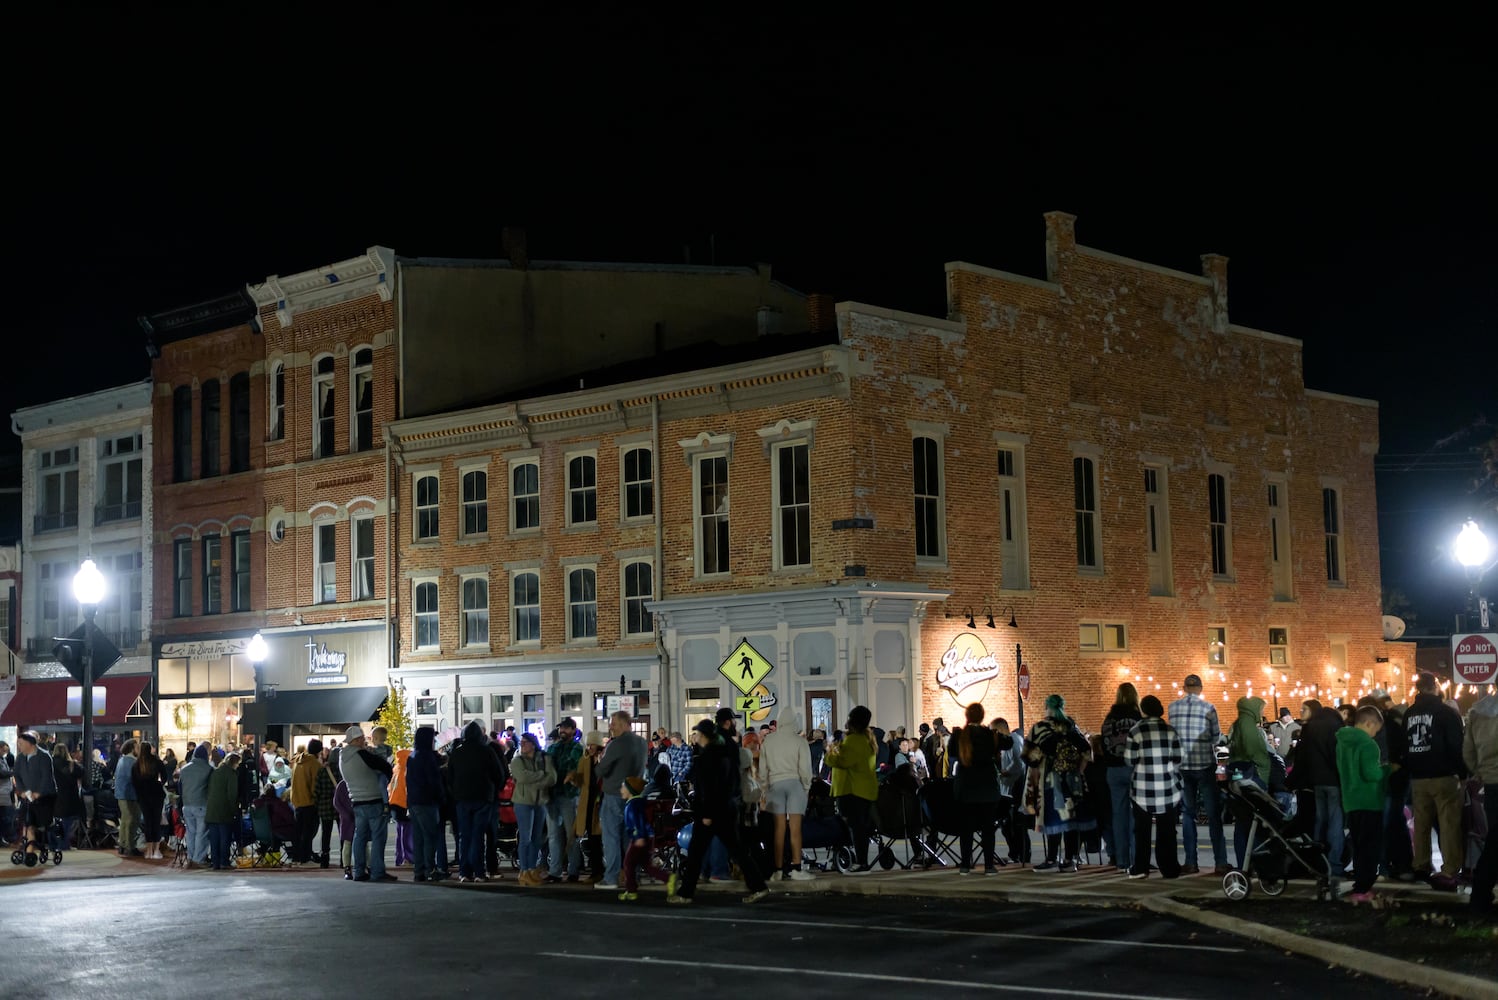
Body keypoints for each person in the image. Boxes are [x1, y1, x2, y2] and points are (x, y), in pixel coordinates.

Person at [666, 719, 771, 905]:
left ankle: (686, 893)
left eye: (698, 733)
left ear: (705, 736)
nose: (695, 736)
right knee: (737, 850)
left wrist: (706, 813)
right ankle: (758, 886)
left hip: (711, 812)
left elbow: (709, 787)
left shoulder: (708, 757)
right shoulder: (725, 754)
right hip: (725, 810)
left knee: (696, 853)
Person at [1404, 671, 1468, 890]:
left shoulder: (1409, 713)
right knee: (1449, 823)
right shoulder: (1445, 713)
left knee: (1421, 824)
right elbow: (1456, 745)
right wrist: (1462, 772)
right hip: (1443, 776)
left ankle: (1420, 865)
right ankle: (1450, 868)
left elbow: (1405, 746)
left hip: (1418, 777)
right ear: (1435, 687)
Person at [1024, 694, 1096, 872]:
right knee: (1071, 820)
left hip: (1050, 780)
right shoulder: (1072, 727)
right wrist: (1078, 770)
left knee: (1053, 819)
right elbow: (1088, 752)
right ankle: (1069, 859)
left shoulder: (1039, 728)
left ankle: (1051, 859)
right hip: (1074, 781)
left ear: (1046, 708)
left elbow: (1029, 757)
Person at [1167, 675, 1227, 875]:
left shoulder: (1173, 708)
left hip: (1182, 766)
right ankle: (1220, 862)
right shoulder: (1209, 707)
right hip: (1204, 765)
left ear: (1184, 688)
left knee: (1187, 814)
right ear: (1200, 689)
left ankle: (1191, 862)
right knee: (1213, 814)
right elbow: (1215, 737)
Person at [1124, 695, 1182, 879]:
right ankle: (1170, 868)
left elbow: (1129, 760)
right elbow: (1179, 758)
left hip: (1142, 789)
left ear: (1144, 710)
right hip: (1167, 788)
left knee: (1142, 831)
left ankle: (1141, 867)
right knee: (1167, 831)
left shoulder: (1136, 731)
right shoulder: (1170, 731)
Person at [1338, 704, 1392, 903]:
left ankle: (1359, 885)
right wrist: (1386, 770)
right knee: (1370, 847)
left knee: (1359, 845)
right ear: (1369, 723)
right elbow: (1372, 774)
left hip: (1351, 801)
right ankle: (1363, 888)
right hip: (1370, 801)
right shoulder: (1368, 745)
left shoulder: (1342, 743)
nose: (1375, 734)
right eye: (1375, 729)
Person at [1291, 699, 1346, 887]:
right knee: (1336, 823)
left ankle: (1318, 863)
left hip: (1316, 782)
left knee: (1320, 821)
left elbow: (1302, 756)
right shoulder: (1336, 726)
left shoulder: (1311, 727)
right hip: (1333, 781)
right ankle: (1335, 865)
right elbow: (1337, 755)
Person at [446, 720, 504, 883]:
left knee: (465, 836)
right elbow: (498, 774)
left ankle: (465, 871)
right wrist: (493, 791)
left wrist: (456, 793)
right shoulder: (487, 752)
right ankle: (479, 871)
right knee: (478, 836)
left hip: (463, 799)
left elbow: (449, 778)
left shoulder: (457, 753)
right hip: (483, 797)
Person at [760, 710, 815, 881]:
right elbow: (805, 768)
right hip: (794, 784)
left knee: (779, 829)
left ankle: (777, 869)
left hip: (775, 785)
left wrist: (764, 789)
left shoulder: (769, 741)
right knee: (796, 829)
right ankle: (796, 868)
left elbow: (763, 769)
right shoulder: (800, 741)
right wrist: (806, 787)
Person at [595, 710, 646, 891]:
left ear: (624, 724)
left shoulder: (617, 744)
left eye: (614, 724)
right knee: (628, 838)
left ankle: (611, 878)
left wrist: (596, 764)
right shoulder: (641, 743)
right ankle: (632, 875)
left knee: (611, 837)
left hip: (614, 793)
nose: (611, 727)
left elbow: (601, 769)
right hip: (633, 796)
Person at [825, 705, 879, 874]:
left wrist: (830, 752)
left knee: (856, 827)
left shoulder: (854, 740)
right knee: (859, 827)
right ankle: (860, 860)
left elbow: (843, 761)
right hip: (862, 789)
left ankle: (861, 862)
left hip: (852, 790)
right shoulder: (866, 739)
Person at [950, 702, 1002, 875]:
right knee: (988, 830)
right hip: (988, 789)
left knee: (966, 830)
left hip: (966, 790)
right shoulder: (989, 734)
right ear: (982, 716)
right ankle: (988, 866)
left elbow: (951, 752)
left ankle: (965, 864)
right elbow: (1006, 743)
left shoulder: (959, 735)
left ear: (967, 716)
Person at [341, 725, 396, 882]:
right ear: (357, 740)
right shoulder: (362, 755)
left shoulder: (342, 757)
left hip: (356, 801)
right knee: (378, 837)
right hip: (373, 800)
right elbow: (385, 767)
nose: (364, 741)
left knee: (360, 837)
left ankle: (359, 871)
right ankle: (377, 871)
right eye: (362, 739)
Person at [1100, 682, 1143, 872]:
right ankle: (1136, 859)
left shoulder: (1109, 719)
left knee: (1118, 815)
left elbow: (1103, 743)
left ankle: (1121, 860)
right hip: (1134, 768)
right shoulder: (1137, 718)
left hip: (1113, 770)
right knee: (1135, 815)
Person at [1463, 687, 1498, 914]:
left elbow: (1468, 752)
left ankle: (1481, 896)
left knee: (1494, 839)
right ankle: (1480, 897)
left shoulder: (1478, 712)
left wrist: (1480, 771)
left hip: (1491, 781)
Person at [1226, 696, 1271, 869]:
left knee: (1242, 822)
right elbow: (1256, 752)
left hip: (1238, 776)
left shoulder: (1238, 724)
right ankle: (1257, 864)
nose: (1262, 712)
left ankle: (1243, 862)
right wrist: (1266, 766)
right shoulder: (1248, 725)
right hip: (1251, 778)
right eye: (1261, 708)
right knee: (1255, 823)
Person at [544, 718, 585, 883]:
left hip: (569, 795)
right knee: (553, 835)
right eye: (561, 728)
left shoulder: (577, 747)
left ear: (574, 730)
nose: (563, 731)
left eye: (567, 728)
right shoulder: (553, 747)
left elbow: (573, 764)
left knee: (571, 835)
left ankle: (573, 870)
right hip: (553, 795)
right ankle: (555, 871)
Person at [618, 775, 671, 901]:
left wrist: (639, 837)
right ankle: (668, 879)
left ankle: (631, 890)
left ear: (630, 790)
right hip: (645, 837)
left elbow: (639, 821)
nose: (621, 790)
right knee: (646, 865)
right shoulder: (638, 803)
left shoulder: (632, 805)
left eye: (623, 787)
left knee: (628, 863)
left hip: (639, 838)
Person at [511, 732, 555, 882]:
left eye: (525, 742)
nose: (522, 744)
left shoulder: (544, 758)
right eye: (521, 742)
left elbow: (552, 777)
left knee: (537, 838)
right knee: (525, 838)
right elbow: (521, 777)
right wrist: (541, 774)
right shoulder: (517, 761)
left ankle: (531, 868)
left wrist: (537, 782)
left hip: (540, 802)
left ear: (533, 744)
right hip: (523, 803)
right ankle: (524, 870)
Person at [406, 725, 446, 883]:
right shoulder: (427, 757)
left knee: (419, 837)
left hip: (414, 801)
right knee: (430, 836)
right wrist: (441, 797)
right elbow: (433, 781)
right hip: (427, 801)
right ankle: (430, 869)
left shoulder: (413, 755)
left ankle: (419, 871)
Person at [12, 732, 58, 862]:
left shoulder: (44, 756)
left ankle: (51, 847)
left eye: (21, 743)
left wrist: (39, 793)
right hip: (27, 797)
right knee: (28, 823)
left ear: (29, 744)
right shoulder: (20, 758)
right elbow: (17, 775)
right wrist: (21, 791)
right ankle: (29, 852)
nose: (19, 746)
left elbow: (46, 777)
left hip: (45, 797)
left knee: (43, 824)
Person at [570, 731, 607, 881]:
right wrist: (573, 778)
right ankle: (596, 870)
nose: (590, 747)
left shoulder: (603, 760)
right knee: (591, 838)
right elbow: (581, 782)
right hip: (588, 803)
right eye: (588, 744)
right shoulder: (584, 760)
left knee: (597, 838)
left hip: (600, 802)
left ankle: (599, 870)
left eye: (592, 744)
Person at [993, 717, 1029, 864]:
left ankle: (1023, 855)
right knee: (1006, 824)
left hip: (1016, 786)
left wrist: (1007, 771)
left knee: (1016, 824)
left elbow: (1020, 762)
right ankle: (1014, 853)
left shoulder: (1014, 740)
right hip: (1006, 786)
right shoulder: (1003, 744)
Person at [287, 739, 323, 865]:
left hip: (297, 800)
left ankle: (297, 857)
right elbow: (315, 785)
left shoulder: (297, 761)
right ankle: (306, 858)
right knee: (309, 831)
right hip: (309, 802)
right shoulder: (315, 764)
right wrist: (316, 799)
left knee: (299, 831)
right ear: (319, 751)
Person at [178, 743, 213, 867]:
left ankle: (191, 857)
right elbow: (211, 788)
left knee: (191, 832)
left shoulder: (185, 769)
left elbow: (180, 788)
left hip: (187, 804)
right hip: (201, 804)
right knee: (201, 833)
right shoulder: (208, 769)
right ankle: (199, 859)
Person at [205, 753, 242, 871]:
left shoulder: (215, 772)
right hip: (224, 810)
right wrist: (234, 810)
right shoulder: (231, 774)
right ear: (235, 763)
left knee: (214, 838)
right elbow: (232, 794)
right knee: (224, 838)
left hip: (211, 810)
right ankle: (224, 862)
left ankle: (215, 862)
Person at [133, 742, 168, 860]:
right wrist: (159, 784)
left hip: (143, 796)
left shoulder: (137, 764)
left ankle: (148, 850)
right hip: (156, 794)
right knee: (156, 822)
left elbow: (134, 782)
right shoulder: (157, 761)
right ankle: (156, 850)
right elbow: (165, 776)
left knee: (148, 823)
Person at [50, 743, 85, 852]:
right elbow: (81, 773)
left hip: (53, 797)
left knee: (52, 822)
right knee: (67, 822)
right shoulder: (72, 765)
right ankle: (64, 844)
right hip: (69, 797)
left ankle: (52, 845)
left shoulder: (50, 764)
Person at [114, 738, 142, 857]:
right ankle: (130, 846)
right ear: (132, 748)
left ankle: (123, 844)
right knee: (132, 820)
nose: (138, 749)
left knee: (125, 820)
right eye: (137, 747)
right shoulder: (132, 762)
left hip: (121, 794)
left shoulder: (121, 760)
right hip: (130, 795)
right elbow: (135, 779)